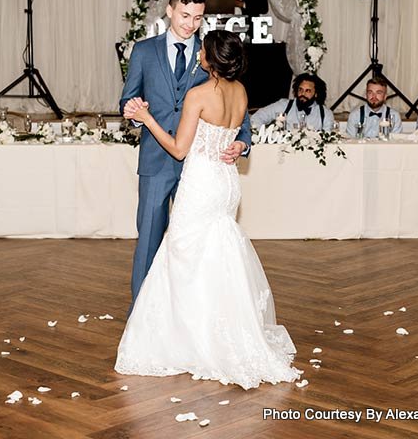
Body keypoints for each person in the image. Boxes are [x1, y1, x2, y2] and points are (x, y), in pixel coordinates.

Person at [115, 31, 300, 390]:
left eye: (204, 48)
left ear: (211, 59)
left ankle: (190, 336)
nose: (198, 50)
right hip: (226, 184)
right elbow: (235, 129)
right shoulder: (241, 91)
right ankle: (222, 328)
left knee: (182, 255)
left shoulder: (199, 95)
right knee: (216, 255)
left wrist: (147, 118)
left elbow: (180, 149)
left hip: (200, 183)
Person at [119, 0, 252, 312]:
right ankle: (143, 314)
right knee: (149, 240)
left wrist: (242, 143)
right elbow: (128, 96)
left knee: (197, 247)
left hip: (200, 170)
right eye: (185, 15)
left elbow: (242, 119)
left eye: (198, 17)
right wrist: (131, 111)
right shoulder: (144, 51)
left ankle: (189, 313)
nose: (191, 24)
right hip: (156, 160)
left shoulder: (210, 55)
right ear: (169, 10)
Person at [250, 73, 335, 131]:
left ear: (316, 94)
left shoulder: (325, 114)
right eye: (300, 90)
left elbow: (327, 140)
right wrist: (266, 134)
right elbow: (256, 118)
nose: (303, 94)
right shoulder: (283, 105)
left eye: (308, 91)